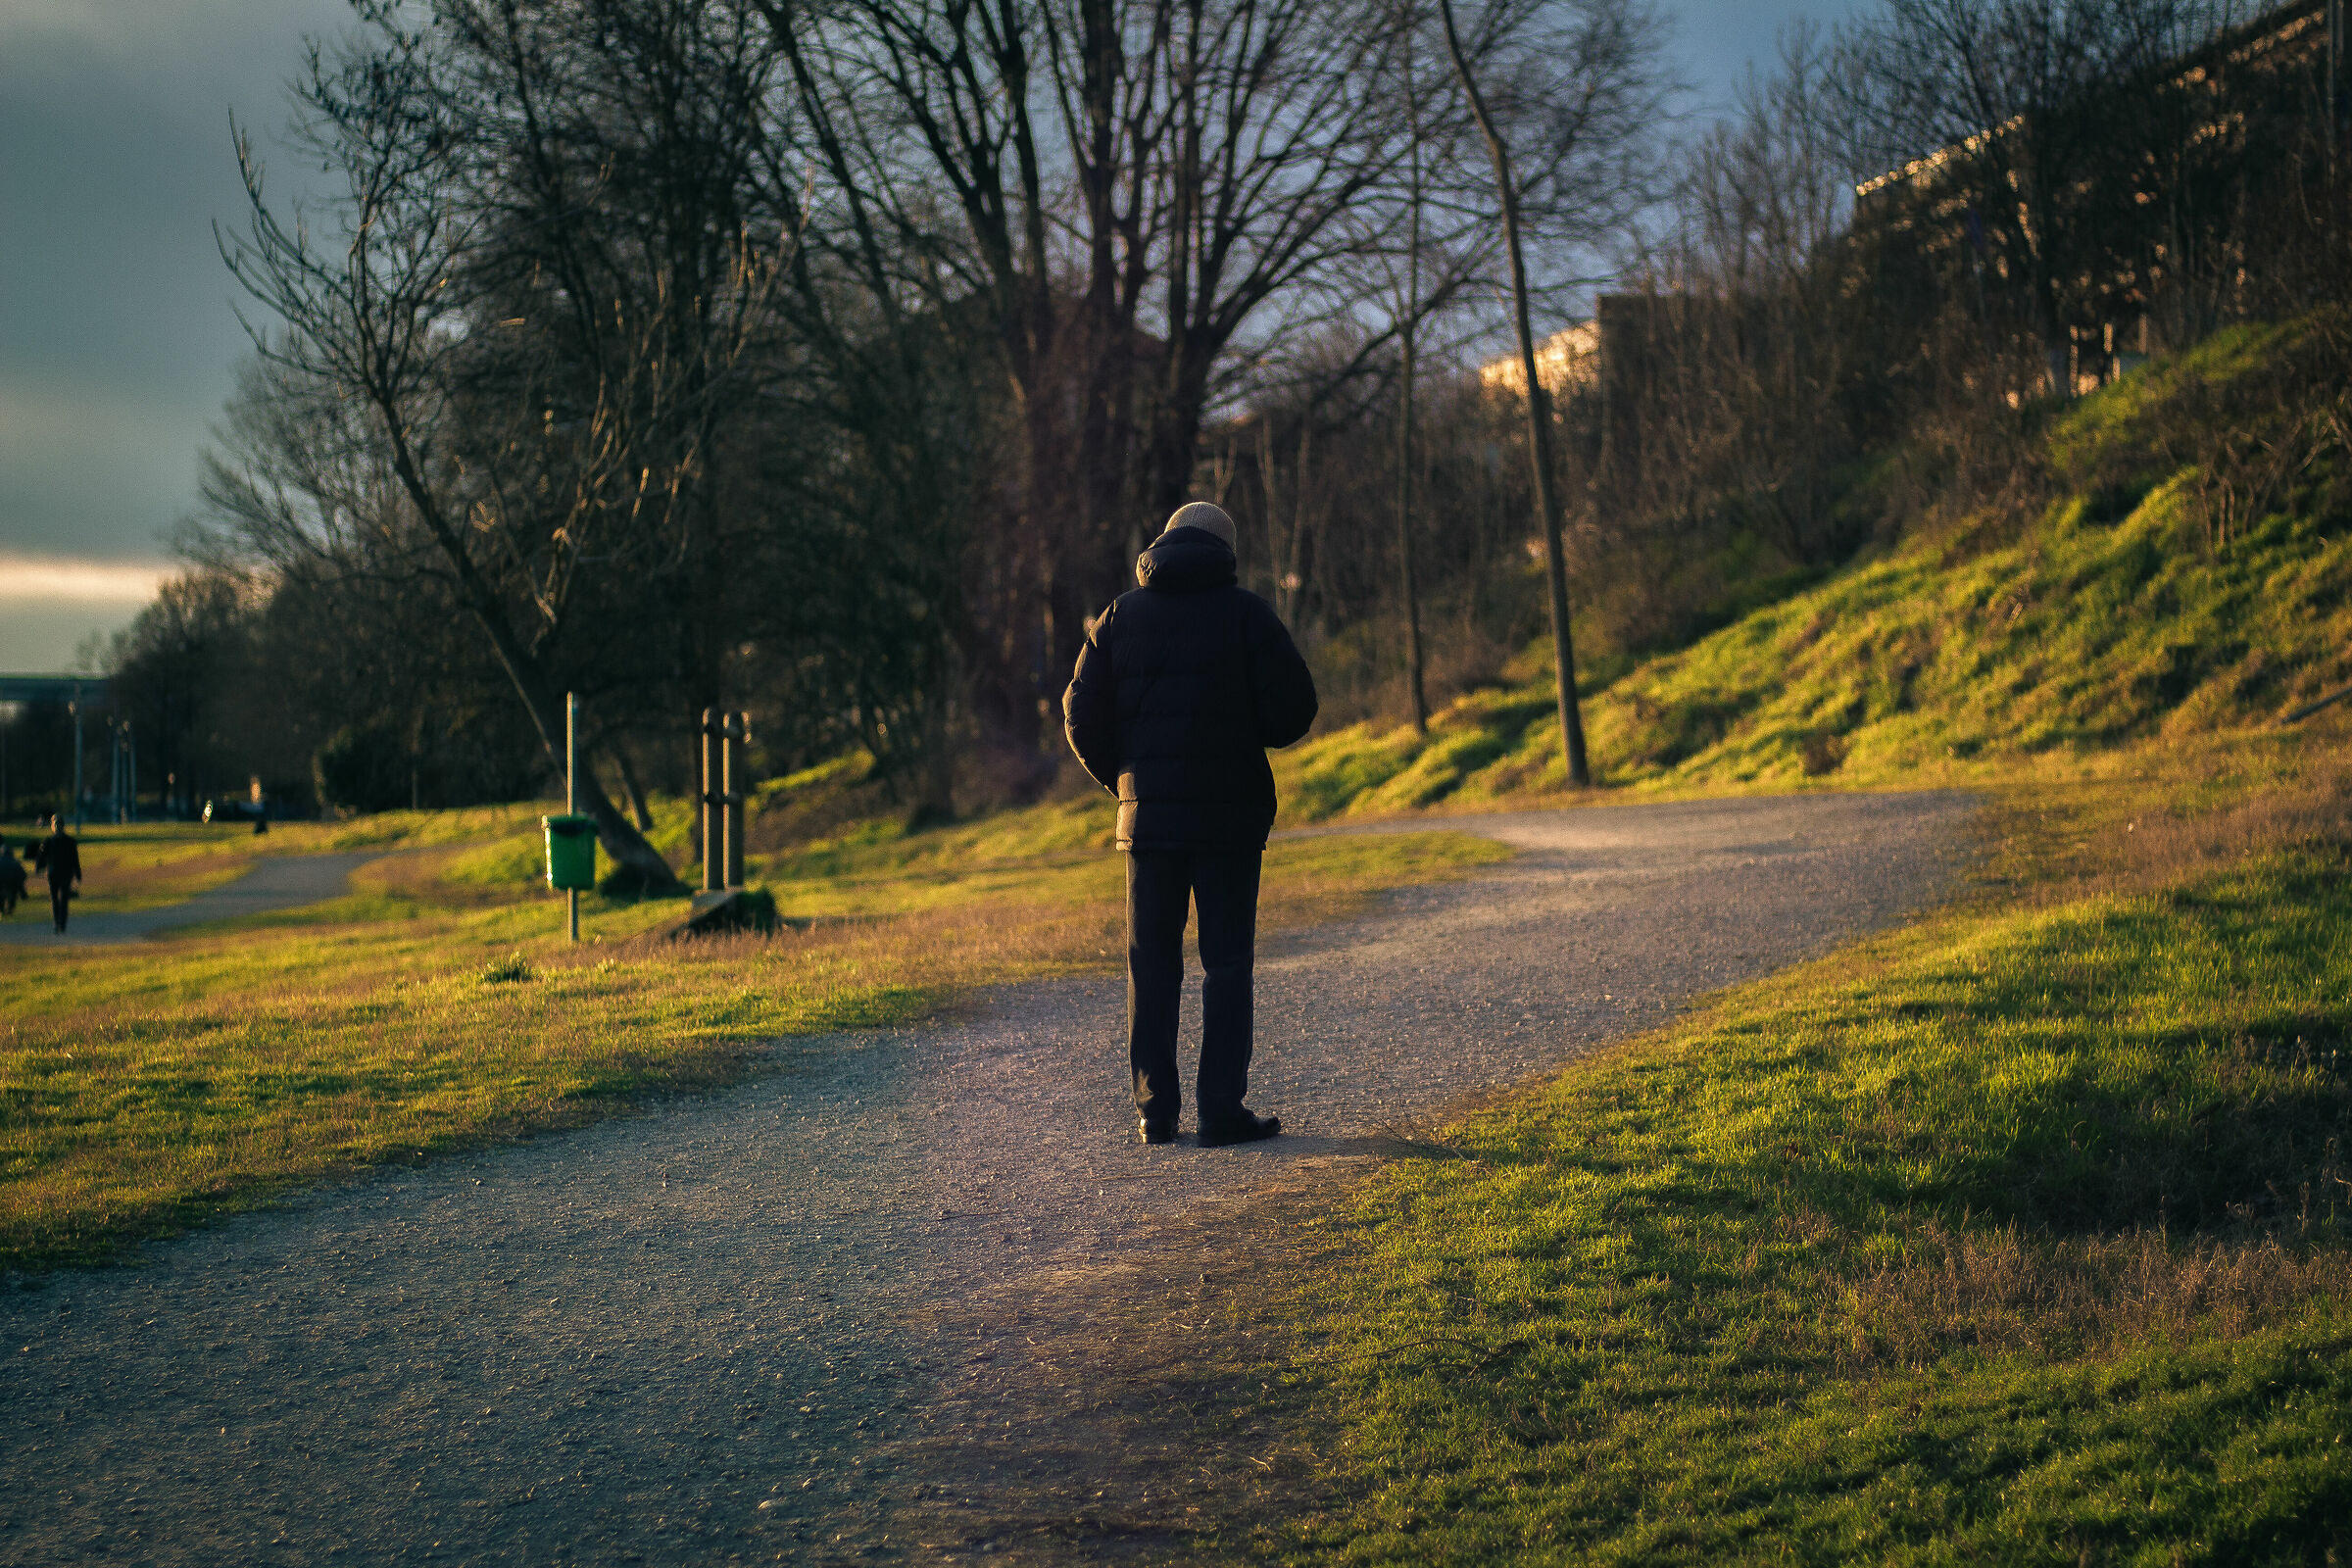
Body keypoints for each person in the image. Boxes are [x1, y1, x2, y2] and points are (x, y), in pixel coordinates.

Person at [1063, 501, 1318, 1147]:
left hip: (1149, 821)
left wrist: (1126, 783)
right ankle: (1219, 1111)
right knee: (1226, 964)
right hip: (1230, 817)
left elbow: (1079, 713)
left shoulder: (1119, 616)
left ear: (1166, 542)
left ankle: (1155, 1111)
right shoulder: (1247, 614)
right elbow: (1296, 707)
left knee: (1151, 964)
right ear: (1226, 553)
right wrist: (1250, 728)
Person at [34, 814, 79, 934]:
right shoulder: (48, 842)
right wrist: (38, 867)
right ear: (52, 826)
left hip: (65, 874)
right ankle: (56, 922)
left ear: (63, 826)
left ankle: (62, 923)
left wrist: (77, 873)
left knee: (63, 899)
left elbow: (74, 859)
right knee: (55, 899)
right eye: (55, 825)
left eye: (59, 825)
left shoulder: (70, 842)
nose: (57, 827)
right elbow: (41, 857)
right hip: (53, 874)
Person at [0, 835, 24, 917]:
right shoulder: (15, 862)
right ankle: (10, 908)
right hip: (12, 883)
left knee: (1, 895)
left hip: (1, 882)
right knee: (13, 893)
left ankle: (2, 909)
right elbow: (22, 874)